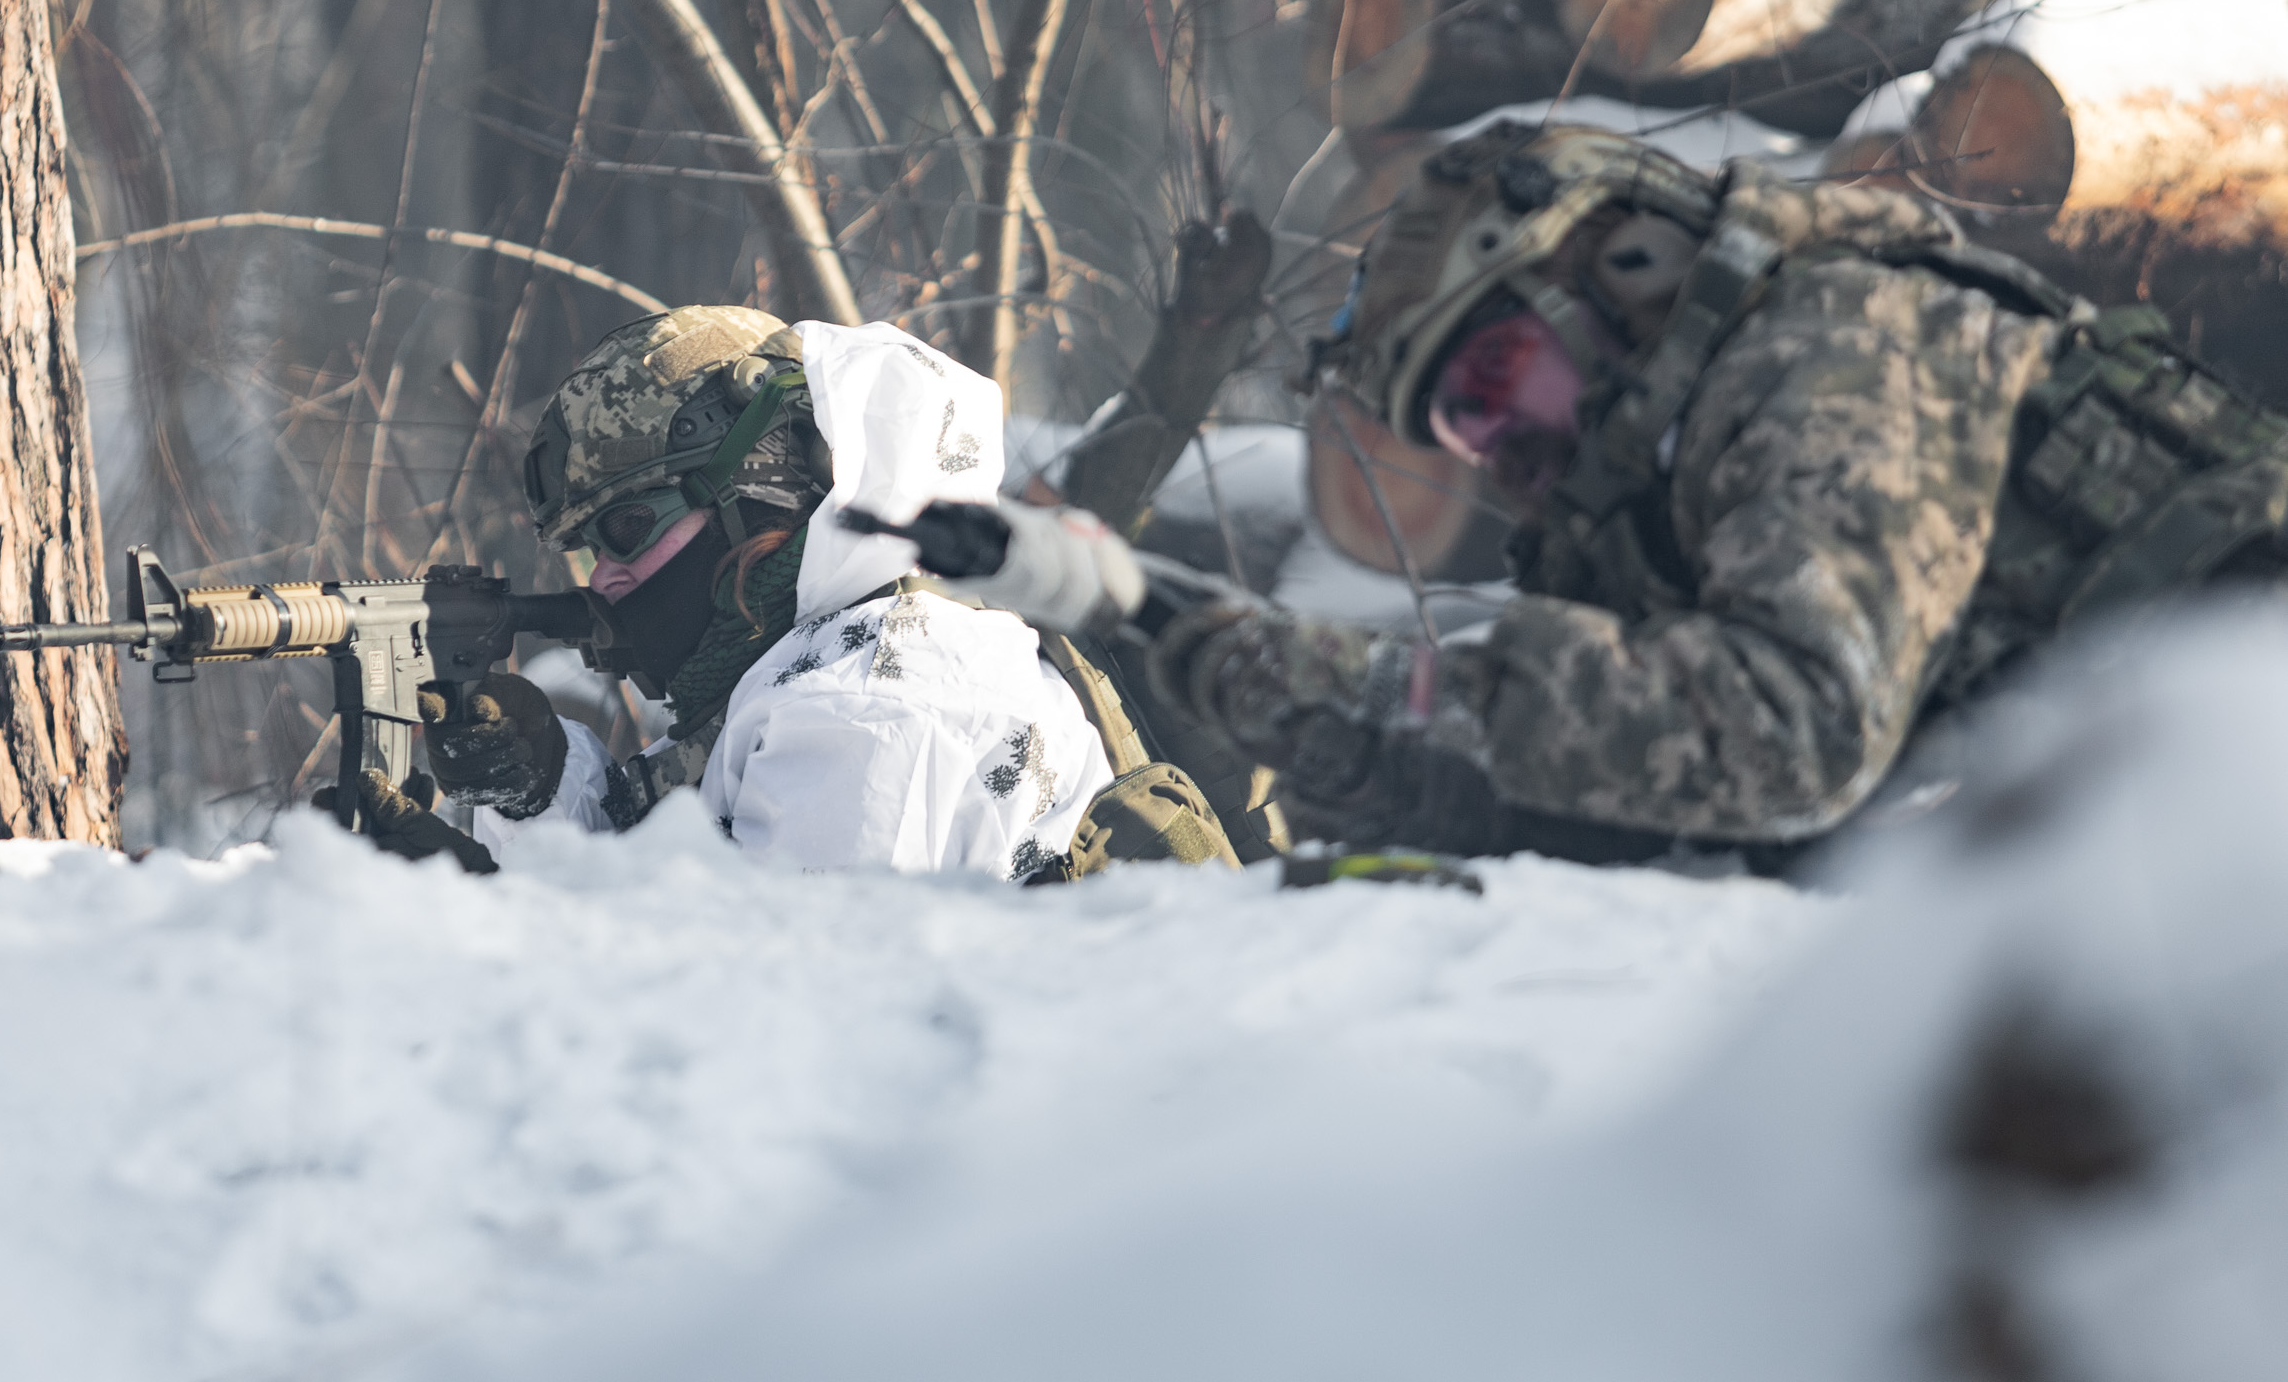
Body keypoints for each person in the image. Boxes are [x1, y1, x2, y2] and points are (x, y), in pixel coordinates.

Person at [947, 120, 2288, 868]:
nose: (1505, 447)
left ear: (1624, 267)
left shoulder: (1835, 345)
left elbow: (1790, 728)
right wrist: (1165, 616)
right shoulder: (1658, 490)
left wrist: (1381, 686)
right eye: (1467, 426)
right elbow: (1548, 792)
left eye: (1499, 377)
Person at [351, 306, 1235, 880]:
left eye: (626, 533)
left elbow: (763, 1025)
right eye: (587, 549)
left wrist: (480, 911)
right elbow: (695, 875)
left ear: (758, 504)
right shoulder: (842, 655)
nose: (604, 579)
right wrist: (550, 785)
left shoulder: (875, 706)